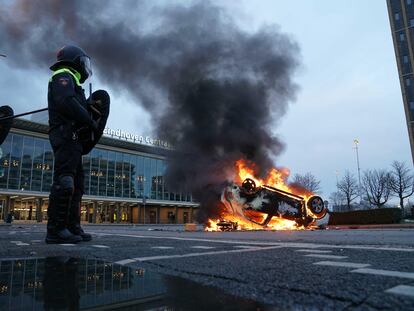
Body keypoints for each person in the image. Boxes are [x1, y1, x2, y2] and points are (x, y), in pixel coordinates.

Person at [46, 45, 110, 244]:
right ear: (75, 60)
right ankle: (56, 230)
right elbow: (66, 102)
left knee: (77, 186)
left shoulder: (72, 80)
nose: (85, 67)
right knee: (65, 182)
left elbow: (75, 104)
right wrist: (89, 120)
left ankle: (72, 226)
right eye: (83, 62)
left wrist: (91, 111)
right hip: (65, 136)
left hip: (74, 140)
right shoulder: (62, 75)